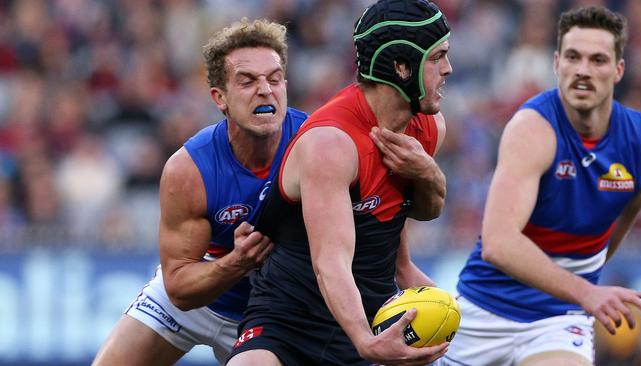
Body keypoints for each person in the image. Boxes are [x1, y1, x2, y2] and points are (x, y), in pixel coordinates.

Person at [227, 0, 453, 365]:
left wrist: (428, 173)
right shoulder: (331, 144)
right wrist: (365, 342)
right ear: (401, 66)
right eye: (438, 57)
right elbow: (330, 262)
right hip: (288, 325)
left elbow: (410, 224)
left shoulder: (429, 127)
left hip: (375, 320)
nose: (448, 69)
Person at [92, 19, 309, 365]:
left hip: (271, 312)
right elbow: (178, 288)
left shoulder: (315, 145)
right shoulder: (189, 169)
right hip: (198, 299)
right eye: (247, 81)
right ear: (219, 98)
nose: (265, 90)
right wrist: (238, 262)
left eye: (274, 78)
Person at [443, 6, 641, 366]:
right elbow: (498, 243)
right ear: (556, 63)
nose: (583, 71)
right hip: (485, 313)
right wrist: (586, 291)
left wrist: (579, 289)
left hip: (558, 321)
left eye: (598, 60)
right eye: (573, 57)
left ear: (618, 70)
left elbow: (615, 227)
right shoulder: (532, 129)